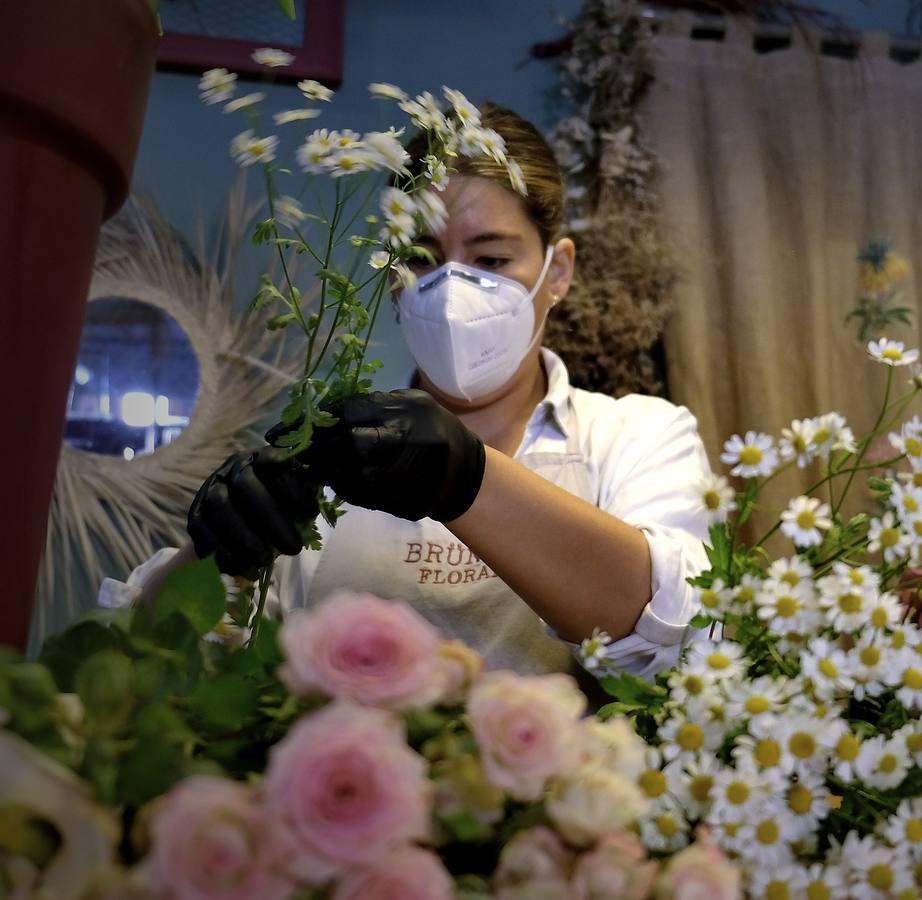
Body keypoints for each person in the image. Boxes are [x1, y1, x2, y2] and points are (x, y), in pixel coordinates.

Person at [119, 104, 711, 680]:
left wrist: (468, 478)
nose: (452, 289)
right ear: (394, 281)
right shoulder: (327, 458)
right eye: (423, 259)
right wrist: (218, 552)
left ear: (557, 272)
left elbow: (680, 640)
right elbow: (160, 667)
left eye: (492, 258)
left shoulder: (636, 435)